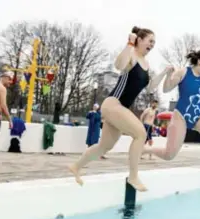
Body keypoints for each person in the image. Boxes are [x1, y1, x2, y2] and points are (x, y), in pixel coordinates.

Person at [68, 26, 170, 191]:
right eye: (150, 41)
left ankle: (76, 166)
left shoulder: (146, 63)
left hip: (120, 109)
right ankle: (133, 176)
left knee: (105, 146)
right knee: (140, 133)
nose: (152, 45)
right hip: (113, 103)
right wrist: (129, 43)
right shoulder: (131, 55)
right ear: (140, 39)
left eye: (154, 43)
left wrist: (164, 72)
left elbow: (150, 87)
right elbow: (119, 64)